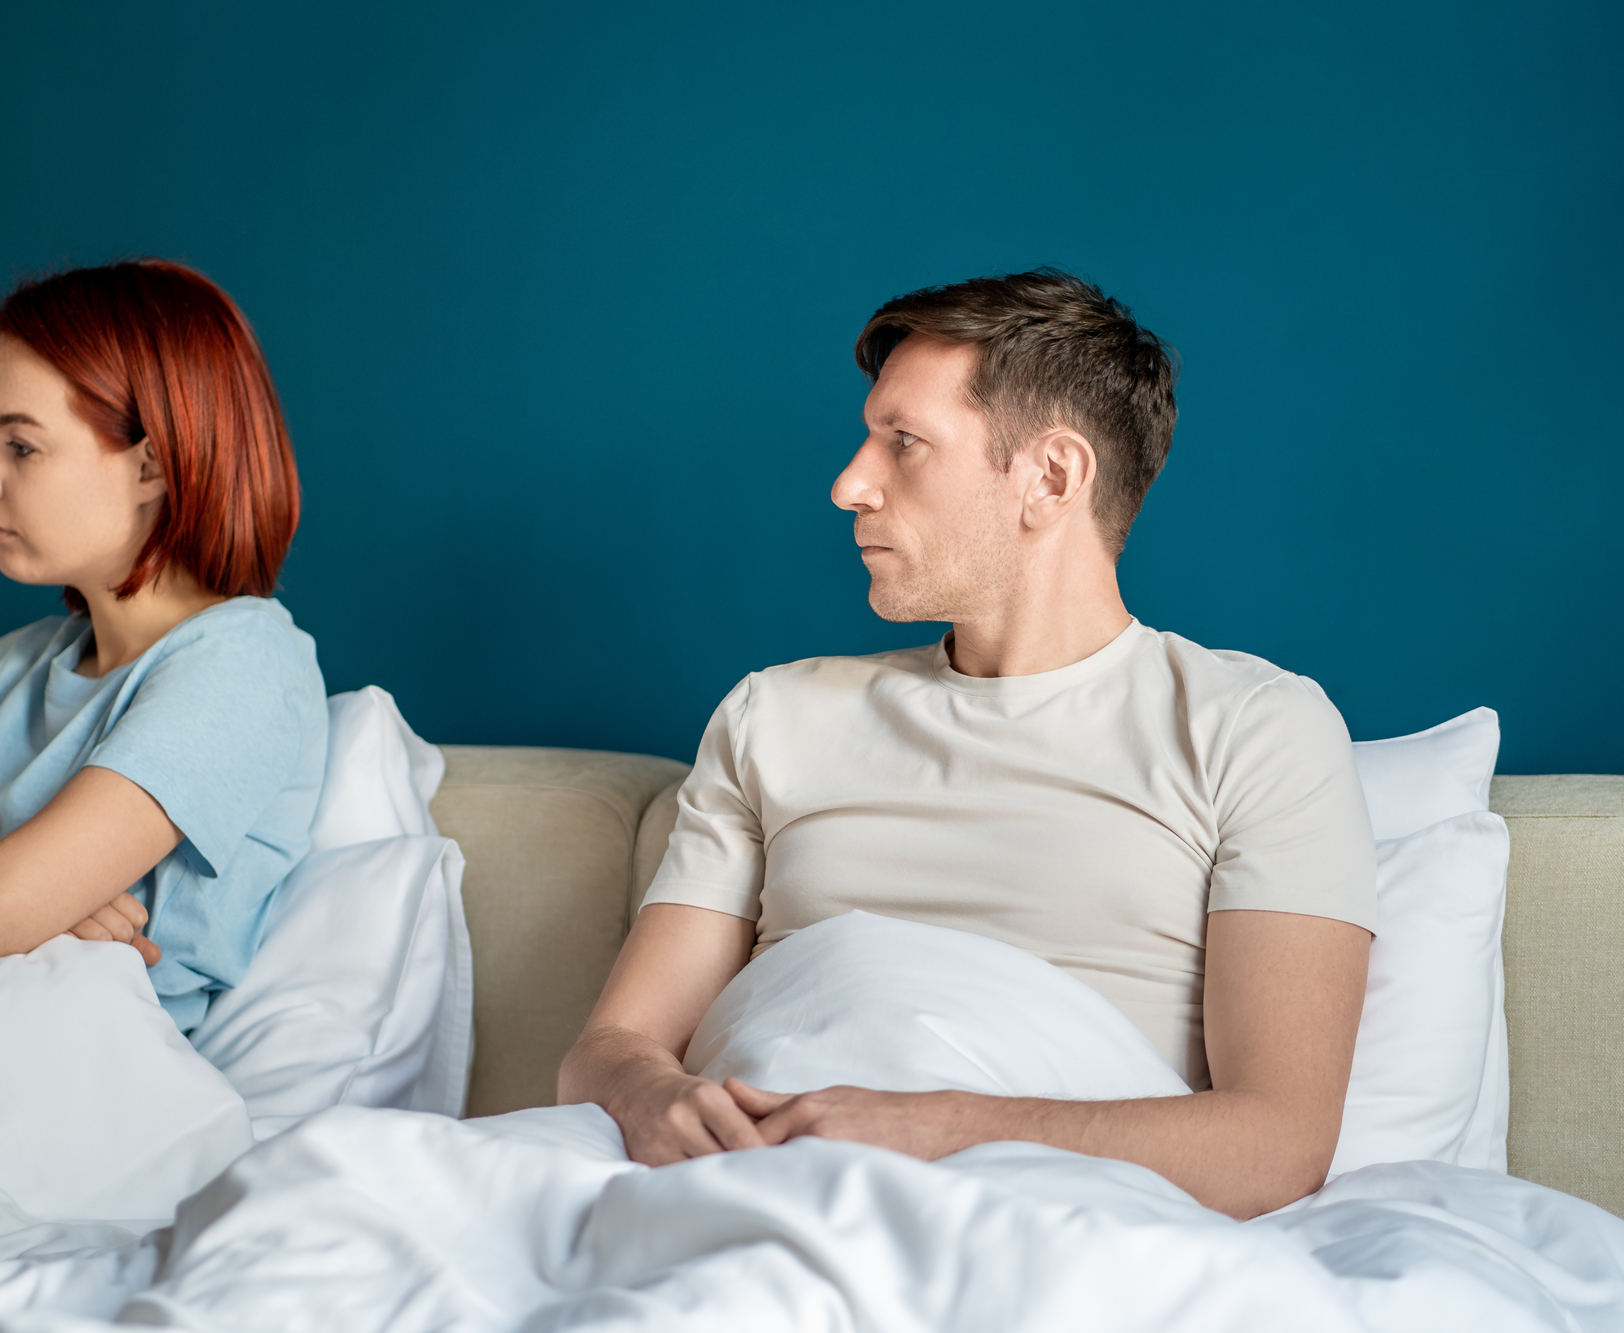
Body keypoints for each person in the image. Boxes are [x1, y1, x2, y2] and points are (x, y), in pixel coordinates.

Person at [559, 270, 1378, 1221]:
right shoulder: (772, 715)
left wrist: (942, 1128)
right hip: (749, 1188)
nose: (848, 484)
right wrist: (650, 1094)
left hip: (1048, 1221)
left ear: (1053, 478)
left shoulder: (1254, 726)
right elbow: (610, 1045)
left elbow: (1277, 1145)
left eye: (903, 443)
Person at [0, 260, 326, 1032]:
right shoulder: (5, 667)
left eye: (22, 446)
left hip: (54, 1065)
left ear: (152, 464)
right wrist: (1, 895)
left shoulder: (243, 663)